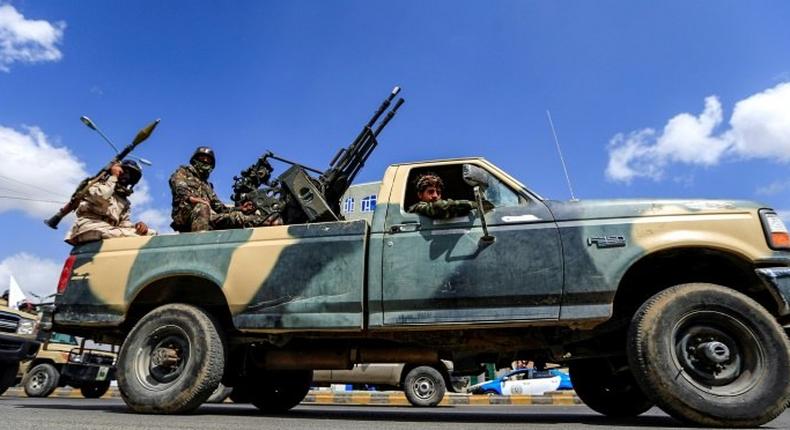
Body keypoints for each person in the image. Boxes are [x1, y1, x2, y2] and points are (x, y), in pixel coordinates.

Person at [169, 146, 277, 232]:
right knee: (202, 207)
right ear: (195, 160)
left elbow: (220, 208)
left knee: (239, 217)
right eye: (202, 159)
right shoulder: (183, 172)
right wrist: (196, 200)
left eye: (208, 161)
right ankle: (199, 247)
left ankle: (271, 223)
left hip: (208, 217)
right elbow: (180, 189)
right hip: (186, 216)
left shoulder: (207, 185)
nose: (205, 162)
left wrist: (240, 209)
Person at [65, 160, 154, 245]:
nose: (127, 176)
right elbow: (101, 196)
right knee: (134, 237)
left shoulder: (124, 202)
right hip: (89, 226)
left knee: (151, 234)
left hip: (109, 229)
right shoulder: (96, 184)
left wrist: (138, 227)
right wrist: (113, 177)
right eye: (125, 171)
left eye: (131, 175)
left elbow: (123, 224)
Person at [407, 172, 478, 219]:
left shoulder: (446, 209)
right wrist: (474, 205)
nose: (435, 195)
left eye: (438, 192)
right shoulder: (417, 207)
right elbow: (440, 207)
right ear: (420, 194)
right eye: (430, 192)